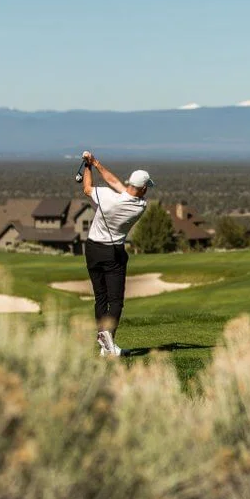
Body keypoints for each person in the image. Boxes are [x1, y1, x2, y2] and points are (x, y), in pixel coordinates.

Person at [81, 150, 155, 357]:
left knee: (101, 298)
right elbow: (117, 185)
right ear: (141, 189)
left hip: (92, 249)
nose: (147, 192)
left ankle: (107, 347)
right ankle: (107, 337)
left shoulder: (107, 197)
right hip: (113, 254)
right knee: (116, 301)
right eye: (146, 188)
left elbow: (88, 188)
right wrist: (96, 163)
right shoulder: (140, 206)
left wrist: (89, 166)